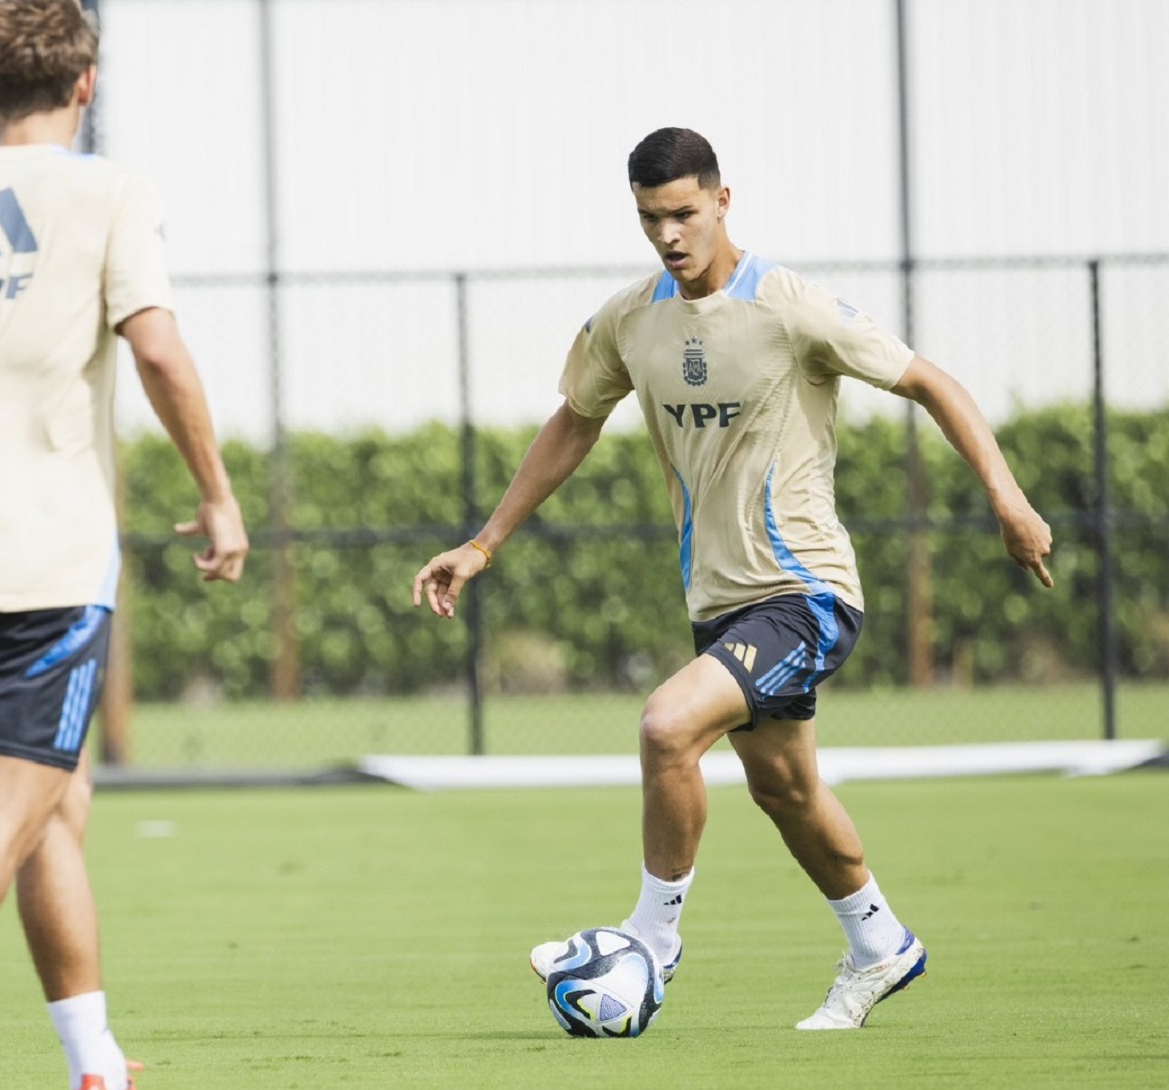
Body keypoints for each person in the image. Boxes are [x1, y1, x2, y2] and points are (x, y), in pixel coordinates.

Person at [411, 127, 1054, 1031]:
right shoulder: (631, 321)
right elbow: (573, 422)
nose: (668, 235)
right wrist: (481, 545)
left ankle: (650, 942)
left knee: (667, 726)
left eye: (682, 212)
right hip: (718, 604)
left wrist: (1009, 499)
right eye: (649, 218)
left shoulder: (792, 308)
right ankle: (882, 946)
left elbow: (932, 383)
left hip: (807, 594)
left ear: (722, 201)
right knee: (784, 790)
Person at [0, 1, 249, 1086]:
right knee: (3, 812)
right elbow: (161, 351)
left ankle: (94, 1061)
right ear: (85, 85)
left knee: (50, 804)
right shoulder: (111, 191)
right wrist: (217, 495)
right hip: (48, 562)